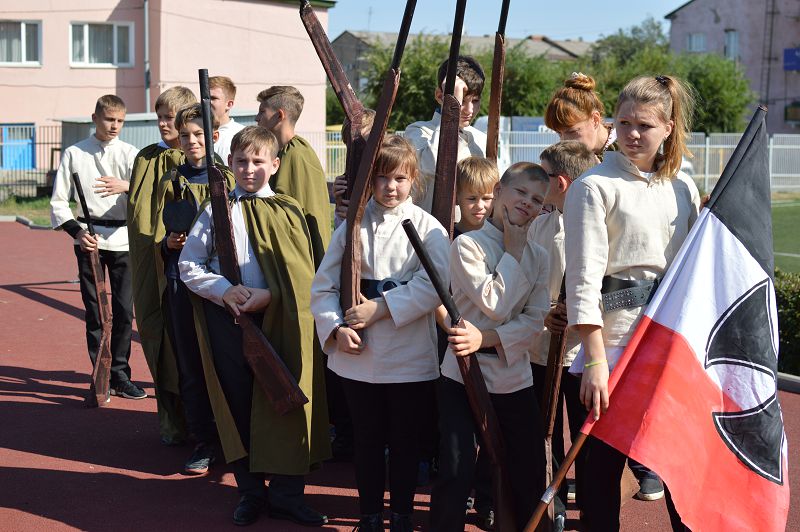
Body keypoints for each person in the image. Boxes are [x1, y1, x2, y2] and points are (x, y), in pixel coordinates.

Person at [564, 75, 700, 531]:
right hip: (614, 345)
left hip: (668, 345)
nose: (633, 134)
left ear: (668, 127)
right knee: (601, 473)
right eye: (623, 123)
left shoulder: (682, 186)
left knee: (679, 466)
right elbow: (583, 281)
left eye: (645, 125)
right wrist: (595, 360)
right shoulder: (592, 187)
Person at [180, 126, 330, 527]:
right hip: (230, 322)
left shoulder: (288, 210)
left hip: (281, 321)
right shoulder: (216, 210)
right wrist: (224, 290)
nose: (249, 169)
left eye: (258, 161)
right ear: (229, 163)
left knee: (287, 399)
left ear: (275, 165)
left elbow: (303, 274)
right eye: (242, 161)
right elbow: (189, 264)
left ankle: (286, 495)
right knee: (240, 404)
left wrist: (273, 296)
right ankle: (250, 492)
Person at [311, 135, 450, 531]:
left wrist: (381, 307)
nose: (391, 187)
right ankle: (369, 516)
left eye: (400, 178)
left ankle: (402, 516)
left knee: (406, 440)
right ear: (370, 180)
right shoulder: (351, 226)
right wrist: (336, 328)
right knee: (367, 439)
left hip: (408, 352)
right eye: (383, 178)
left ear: (413, 181)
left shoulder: (428, 227)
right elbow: (323, 286)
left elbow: (436, 284)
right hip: (359, 353)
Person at [430, 162, 551, 532]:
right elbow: (494, 303)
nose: (527, 202)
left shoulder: (540, 256)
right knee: (456, 467)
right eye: (520, 192)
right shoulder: (467, 245)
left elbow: (535, 320)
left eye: (537, 200)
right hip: (462, 373)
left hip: (513, 373)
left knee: (528, 467)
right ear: (498, 192)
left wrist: (486, 338)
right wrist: (513, 253)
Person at [50, 94, 144, 399]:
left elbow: (146, 195)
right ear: (95, 118)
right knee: (95, 311)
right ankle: (100, 373)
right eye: (109, 119)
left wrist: (129, 186)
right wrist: (77, 233)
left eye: (120, 121)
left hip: (124, 239)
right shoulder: (74, 153)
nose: (114, 125)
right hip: (88, 240)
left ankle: (121, 374)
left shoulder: (131, 154)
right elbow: (58, 202)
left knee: (123, 310)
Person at [157, 103, 232, 475]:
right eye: (185, 135)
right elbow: (155, 234)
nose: (192, 141)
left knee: (227, 361)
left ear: (213, 136)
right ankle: (204, 440)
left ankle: (236, 437)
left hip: (223, 283)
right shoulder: (170, 181)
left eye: (199, 134)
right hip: (180, 282)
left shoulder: (230, 178)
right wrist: (168, 243)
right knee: (191, 362)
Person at [527, 140, 598, 520]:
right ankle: (552, 505)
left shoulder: (595, 225)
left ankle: (591, 506)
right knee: (546, 432)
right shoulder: (540, 224)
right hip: (543, 347)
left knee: (588, 435)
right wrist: (544, 314)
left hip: (585, 352)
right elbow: (528, 282)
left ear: (560, 182)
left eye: (542, 176)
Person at [128, 86, 197, 445]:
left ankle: (201, 426)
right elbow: (139, 215)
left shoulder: (195, 163)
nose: (163, 124)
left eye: (170, 117)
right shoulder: (146, 158)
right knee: (156, 336)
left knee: (187, 344)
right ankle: (172, 422)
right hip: (149, 264)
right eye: (160, 117)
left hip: (184, 269)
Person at [404, 55, 487, 213]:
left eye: (475, 101)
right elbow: (435, 165)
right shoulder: (416, 131)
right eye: (462, 101)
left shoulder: (481, 139)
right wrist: (451, 110)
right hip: (426, 227)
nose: (470, 110)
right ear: (439, 96)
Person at [256, 85, 332, 257]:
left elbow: (292, 215)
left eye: (262, 112)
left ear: (279, 115)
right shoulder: (284, 150)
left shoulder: (295, 154)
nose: (257, 118)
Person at [544, 73, 616, 159]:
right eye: (559, 133)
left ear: (595, 120)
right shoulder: (575, 158)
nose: (564, 141)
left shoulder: (627, 148)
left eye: (572, 132)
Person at [209, 76, 246, 161]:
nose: (207, 102)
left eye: (213, 98)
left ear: (229, 104)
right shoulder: (193, 133)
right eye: (205, 98)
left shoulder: (243, 134)